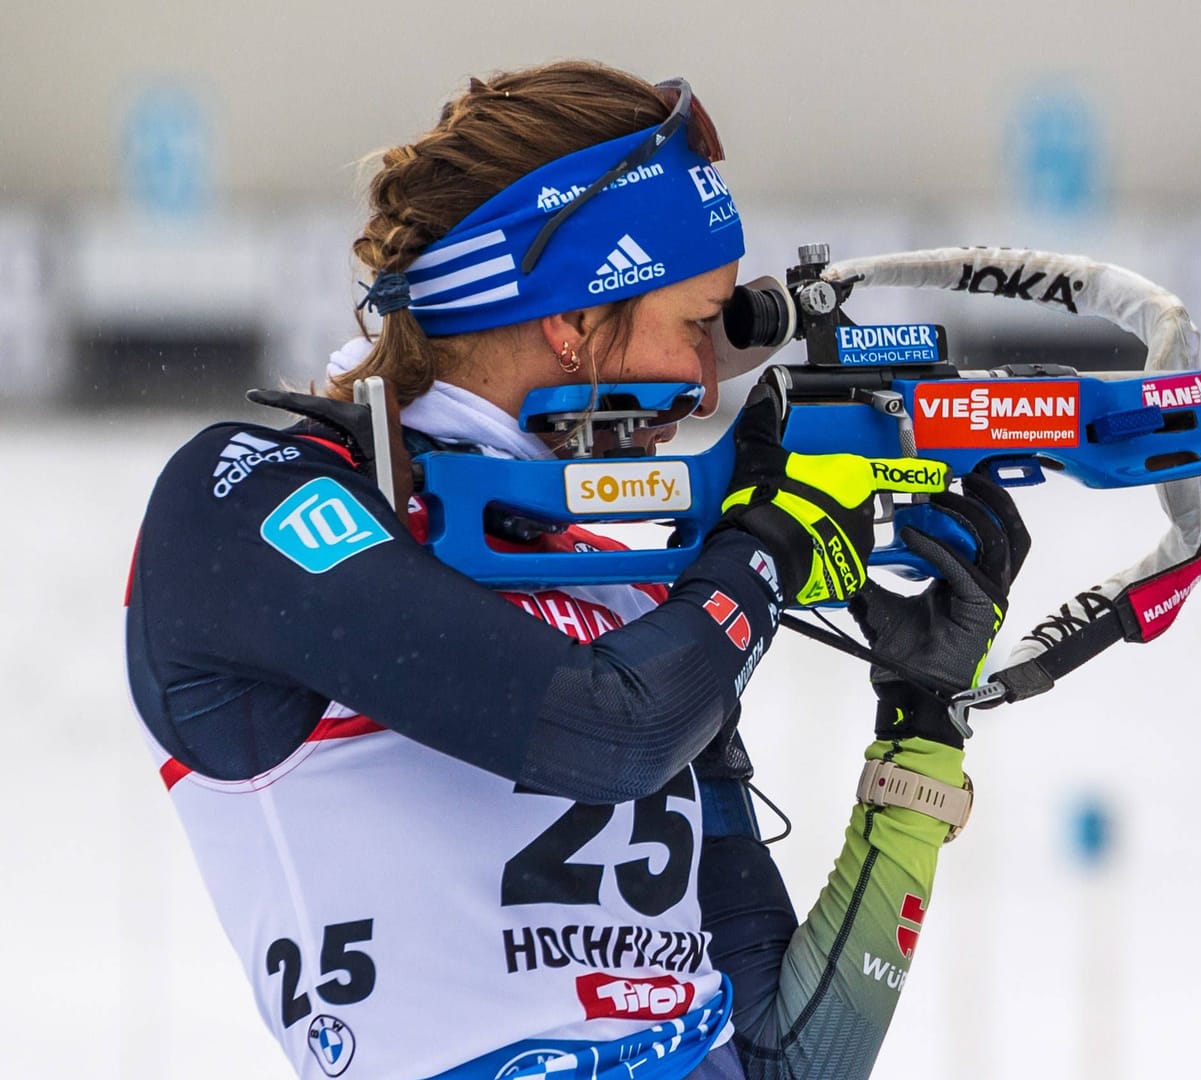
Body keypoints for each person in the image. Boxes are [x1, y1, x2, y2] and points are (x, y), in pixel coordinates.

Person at [124, 60, 1028, 1080]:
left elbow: (784, 1060)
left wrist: (921, 727)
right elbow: (610, 731)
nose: (700, 385)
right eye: (695, 328)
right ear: (574, 317)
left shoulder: (628, 584)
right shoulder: (246, 501)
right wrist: (769, 542)